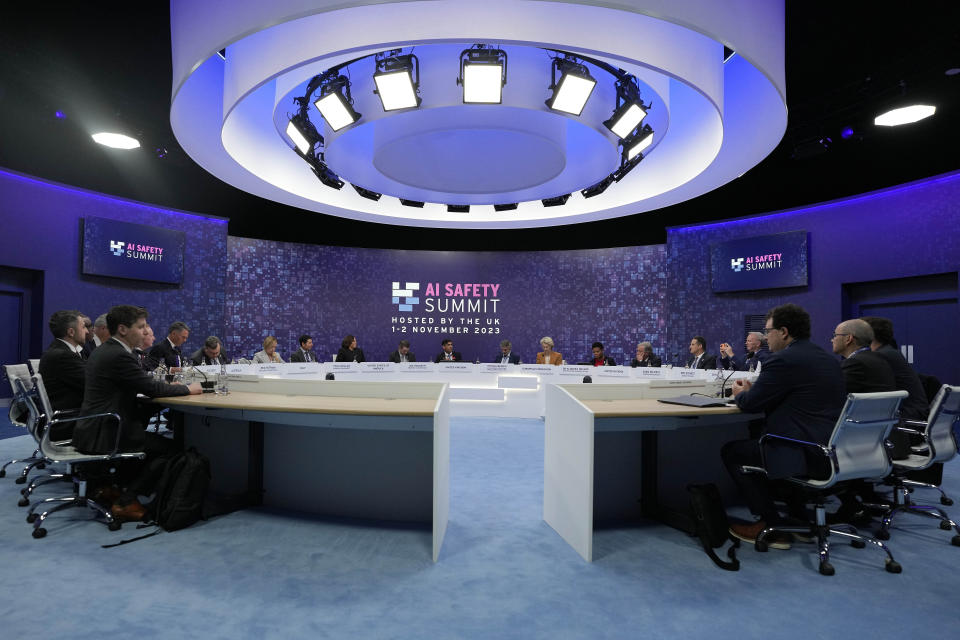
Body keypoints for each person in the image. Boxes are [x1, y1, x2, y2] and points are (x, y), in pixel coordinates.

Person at [721, 303, 846, 547]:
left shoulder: (782, 361)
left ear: (784, 332)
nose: (766, 338)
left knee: (734, 452)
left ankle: (771, 524)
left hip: (801, 451)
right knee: (770, 440)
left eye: (768, 332)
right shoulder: (829, 360)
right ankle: (799, 520)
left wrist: (740, 393)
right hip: (830, 449)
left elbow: (751, 404)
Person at [71, 305, 201, 520]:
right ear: (123, 329)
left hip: (96, 426)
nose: (145, 332)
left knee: (148, 438)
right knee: (173, 449)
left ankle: (115, 488)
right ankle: (127, 500)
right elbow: (152, 388)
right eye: (141, 327)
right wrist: (189, 388)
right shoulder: (120, 355)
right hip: (107, 431)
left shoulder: (107, 349)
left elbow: (143, 385)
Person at [861, 316, 929, 422]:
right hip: (915, 412)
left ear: (869, 335)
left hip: (908, 416)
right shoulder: (889, 351)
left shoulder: (881, 356)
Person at [38, 310, 88, 439]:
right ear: (71, 332)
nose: (87, 331)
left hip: (64, 415)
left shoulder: (59, 350)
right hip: (65, 422)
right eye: (83, 327)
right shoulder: (63, 356)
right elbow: (93, 385)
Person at [831, 319, 895, 394]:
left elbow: (833, 393)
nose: (832, 340)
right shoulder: (880, 358)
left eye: (835, 335)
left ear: (848, 339)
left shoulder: (854, 363)